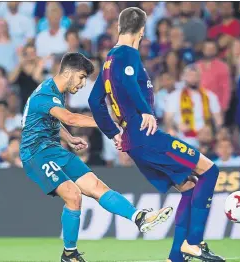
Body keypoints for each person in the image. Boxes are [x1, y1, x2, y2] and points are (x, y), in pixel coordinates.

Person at [88, 7, 225, 262]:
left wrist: (112, 133)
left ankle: (176, 256)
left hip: (133, 140)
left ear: (119, 27)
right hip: (146, 135)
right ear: (142, 31)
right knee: (210, 171)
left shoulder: (108, 60)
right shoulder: (128, 54)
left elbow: (95, 101)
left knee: (188, 187)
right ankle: (194, 242)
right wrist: (145, 111)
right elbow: (129, 83)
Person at [19, 52, 172, 262]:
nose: (83, 83)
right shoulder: (46, 94)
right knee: (73, 195)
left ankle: (139, 217)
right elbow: (70, 117)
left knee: (97, 187)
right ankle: (69, 255)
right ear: (69, 72)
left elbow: (48, 120)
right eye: (82, 76)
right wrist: (107, 122)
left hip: (53, 149)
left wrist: (69, 138)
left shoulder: (53, 90)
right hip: (36, 154)